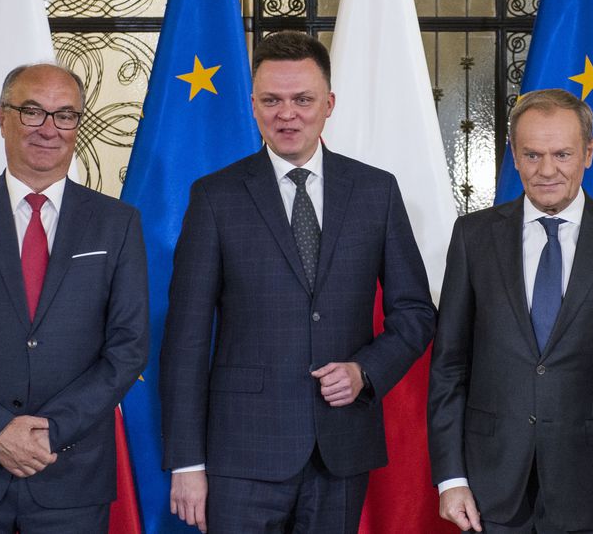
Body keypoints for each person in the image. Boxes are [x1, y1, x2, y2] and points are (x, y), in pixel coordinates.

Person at [160, 31, 436, 533]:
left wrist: (364, 372)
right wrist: (186, 463)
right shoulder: (215, 197)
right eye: (272, 100)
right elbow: (186, 339)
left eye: (302, 100)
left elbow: (416, 313)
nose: (287, 114)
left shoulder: (376, 191)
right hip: (240, 455)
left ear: (328, 104)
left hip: (341, 447)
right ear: (253, 105)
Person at [0, 63, 150, 532]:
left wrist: (48, 432)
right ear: (2, 118)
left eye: (65, 115)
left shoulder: (116, 223)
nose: (48, 129)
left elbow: (128, 346)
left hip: (71, 474)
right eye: (32, 111)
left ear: (79, 124)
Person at [428, 88, 593, 534]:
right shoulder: (472, 237)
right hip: (490, 490)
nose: (546, 170)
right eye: (532, 154)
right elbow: (448, 366)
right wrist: (451, 477)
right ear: (514, 155)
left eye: (562, 154)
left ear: (588, 152)